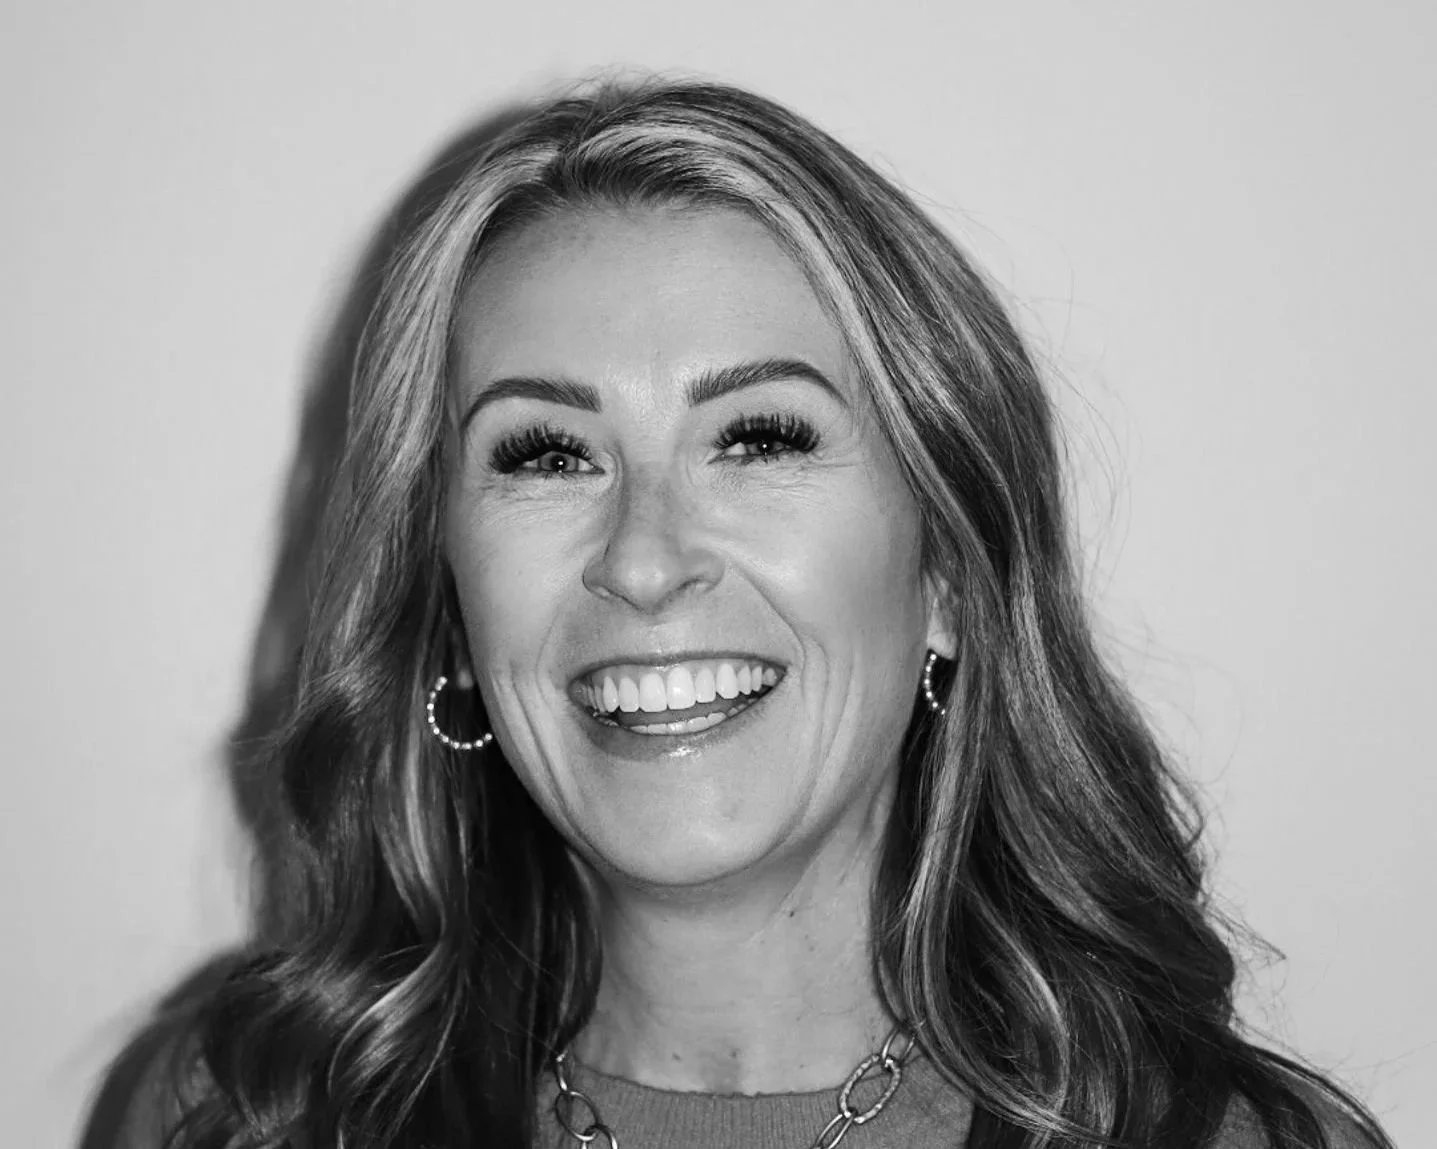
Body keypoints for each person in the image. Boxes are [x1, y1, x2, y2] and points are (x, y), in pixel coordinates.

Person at [142, 78, 1394, 1149]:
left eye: (758, 438)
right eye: (545, 456)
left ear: (949, 577)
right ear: (451, 605)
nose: (644, 560)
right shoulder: (250, 1110)